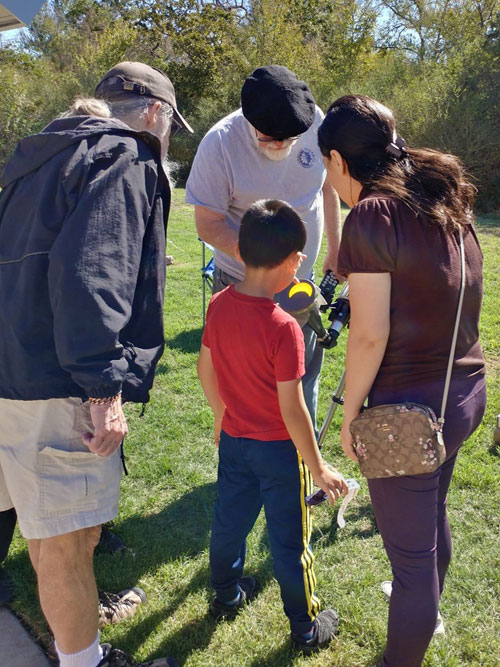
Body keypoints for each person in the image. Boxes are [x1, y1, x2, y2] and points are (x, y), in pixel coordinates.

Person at [0, 61, 193, 667]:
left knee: (47, 528)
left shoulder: (38, 156)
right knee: (64, 540)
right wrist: (103, 391)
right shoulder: (125, 158)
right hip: (54, 379)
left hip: (10, 367)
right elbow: (92, 277)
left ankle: (75, 635)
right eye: (170, 130)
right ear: (156, 115)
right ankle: (87, 661)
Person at [317, 95, 486, 667]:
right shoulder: (444, 202)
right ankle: (426, 611)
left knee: (411, 566)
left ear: (339, 160)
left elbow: (368, 336)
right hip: (463, 394)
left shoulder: (372, 214)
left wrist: (349, 414)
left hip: (408, 417)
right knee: (431, 522)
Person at [197, 199, 348, 653]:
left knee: (228, 522)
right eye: (299, 257)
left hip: (235, 443)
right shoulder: (284, 327)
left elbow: (206, 369)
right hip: (280, 453)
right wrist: (317, 466)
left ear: (239, 252)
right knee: (288, 542)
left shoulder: (220, 304)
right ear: (293, 261)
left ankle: (225, 593)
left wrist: (223, 417)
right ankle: (305, 627)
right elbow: (294, 409)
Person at [186, 65, 341, 433]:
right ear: (247, 120)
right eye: (269, 137)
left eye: (289, 137)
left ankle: (300, 463)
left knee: (300, 379)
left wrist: (336, 248)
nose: (280, 145)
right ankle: (247, 453)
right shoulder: (220, 143)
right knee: (245, 383)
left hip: (300, 283)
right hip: (240, 284)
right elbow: (208, 224)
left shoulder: (314, 123)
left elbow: (328, 188)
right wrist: (262, 263)